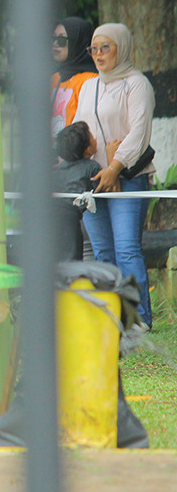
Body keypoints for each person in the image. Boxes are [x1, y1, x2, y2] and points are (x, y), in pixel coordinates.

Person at [73, 23, 155, 328]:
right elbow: (82, 130)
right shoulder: (89, 86)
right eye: (93, 48)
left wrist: (115, 166)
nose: (98, 54)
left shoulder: (137, 84)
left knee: (126, 248)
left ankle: (139, 319)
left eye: (105, 47)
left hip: (129, 177)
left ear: (121, 47)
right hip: (94, 180)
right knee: (103, 251)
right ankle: (111, 318)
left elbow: (138, 133)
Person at [52, 121, 101, 261]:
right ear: (87, 149)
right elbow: (106, 188)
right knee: (72, 260)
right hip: (68, 220)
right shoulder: (92, 167)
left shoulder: (59, 168)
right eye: (92, 136)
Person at [51, 17, 97, 136]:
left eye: (61, 40)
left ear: (77, 41)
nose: (55, 44)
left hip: (77, 150)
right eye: (53, 38)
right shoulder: (54, 77)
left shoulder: (91, 80)